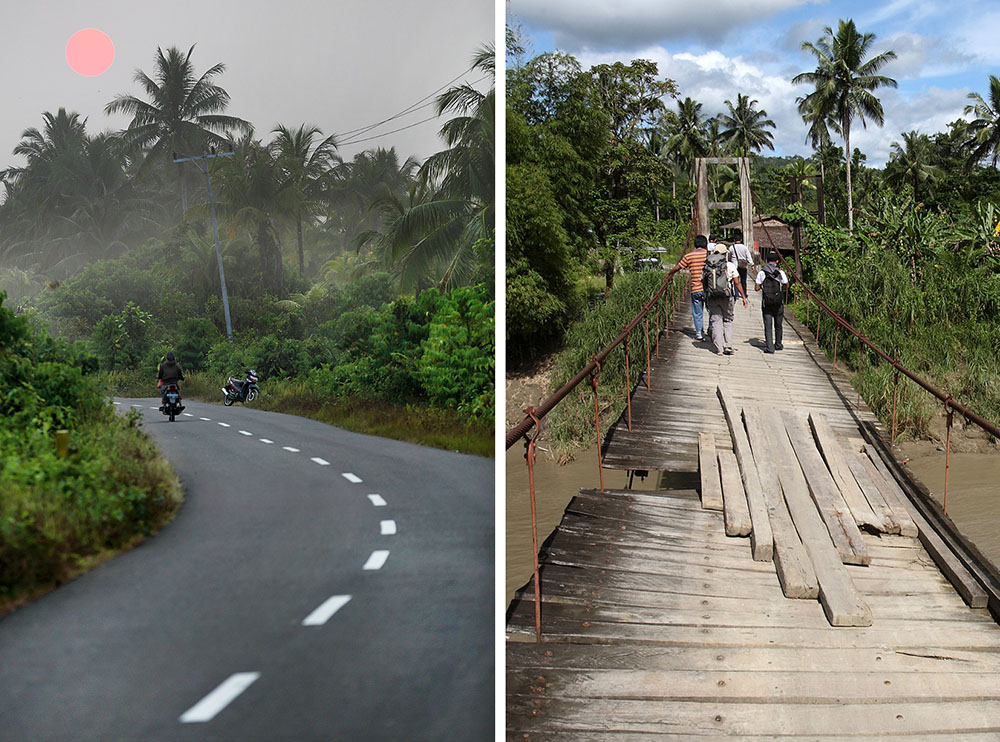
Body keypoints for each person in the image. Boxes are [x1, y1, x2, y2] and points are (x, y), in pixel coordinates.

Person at [663, 234, 710, 341]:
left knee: (697, 313)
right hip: (709, 289)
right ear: (706, 244)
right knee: (711, 310)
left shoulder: (689, 256)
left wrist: (669, 274)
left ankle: (699, 334)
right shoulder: (709, 255)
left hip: (696, 289)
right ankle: (712, 328)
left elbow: (678, 267)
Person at [704, 243, 749, 355]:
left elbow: (703, 280)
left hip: (712, 296)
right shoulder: (730, 265)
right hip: (727, 296)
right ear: (725, 254)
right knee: (728, 320)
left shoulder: (708, 264)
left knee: (716, 320)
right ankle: (728, 346)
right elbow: (737, 282)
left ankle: (719, 349)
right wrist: (743, 297)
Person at [754, 251, 789, 354]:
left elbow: (756, 288)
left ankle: (770, 347)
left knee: (768, 325)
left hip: (767, 303)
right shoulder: (780, 272)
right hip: (778, 302)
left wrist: (763, 286)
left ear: (766, 261)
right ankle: (778, 344)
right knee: (778, 324)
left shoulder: (762, 272)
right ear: (777, 261)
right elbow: (787, 285)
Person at [727, 231, 754, 297]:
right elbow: (748, 256)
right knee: (743, 280)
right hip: (743, 266)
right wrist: (752, 264)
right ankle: (744, 293)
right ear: (741, 240)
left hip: (734, 266)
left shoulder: (731, 247)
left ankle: (736, 294)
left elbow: (729, 256)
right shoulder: (745, 247)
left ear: (734, 240)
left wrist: (729, 262)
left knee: (736, 280)